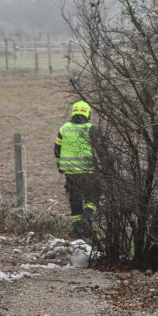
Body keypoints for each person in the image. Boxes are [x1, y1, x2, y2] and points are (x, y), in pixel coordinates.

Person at [54, 100, 99, 240]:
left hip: (70, 173)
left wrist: (60, 168)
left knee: (75, 201)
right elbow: (101, 150)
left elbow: (57, 151)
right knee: (95, 194)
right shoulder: (91, 128)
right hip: (89, 171)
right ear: (87, 114)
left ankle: (79, 235)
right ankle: (87, 215)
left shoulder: (64, 129)